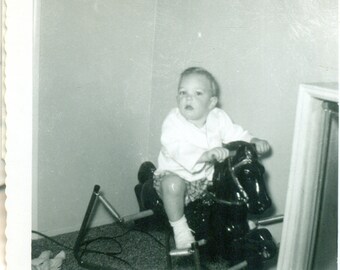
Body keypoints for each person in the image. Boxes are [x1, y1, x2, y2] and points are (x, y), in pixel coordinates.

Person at [153, 67, 270, 249]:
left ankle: (238, 219)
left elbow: (235, 133)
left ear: (211, 102)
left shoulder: (218, 117)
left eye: (198, 93)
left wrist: (253, 141)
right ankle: (180, 228)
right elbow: (176, 147)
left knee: (229, 180)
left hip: (205, 178)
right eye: (182, 92)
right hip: (176, 174)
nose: (188, 98)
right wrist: (204, 155)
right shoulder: (173, 121)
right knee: (173, 185)